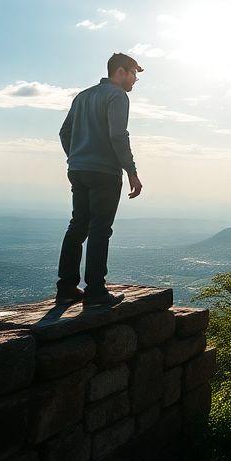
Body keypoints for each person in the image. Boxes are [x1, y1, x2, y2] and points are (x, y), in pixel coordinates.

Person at [55, 52, 145, 306]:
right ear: (120, 72)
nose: (135, 80)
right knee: (99, 229)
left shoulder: (82, 96)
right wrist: (132, 171)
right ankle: (95, 290)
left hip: (78, 169)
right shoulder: (118, 96)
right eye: (133, 74)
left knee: (78, 225)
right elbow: (118, 135)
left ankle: (66, 287)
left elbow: (65, 132)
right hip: (104, 171)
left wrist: (76, 156)